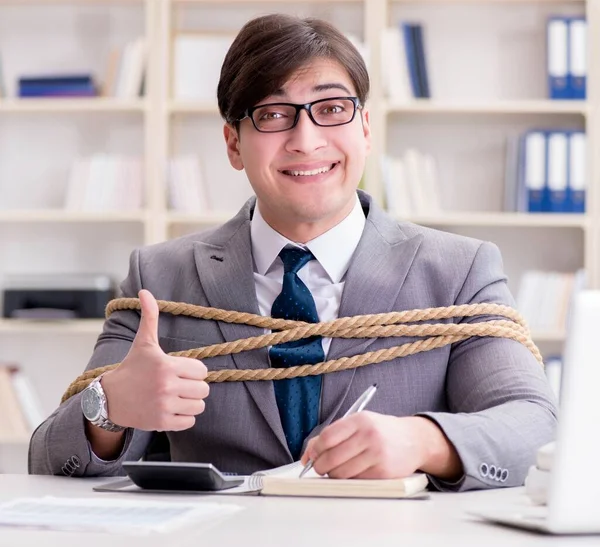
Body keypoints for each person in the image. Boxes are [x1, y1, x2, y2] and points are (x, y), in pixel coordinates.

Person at [29, 14, 557, 491]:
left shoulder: (459, 271)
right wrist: (111, 409)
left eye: (331, 109)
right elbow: (48, 455)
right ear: (234, 144)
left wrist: (424, 442)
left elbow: (534, 425)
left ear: (365, 129)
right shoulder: (160, 278)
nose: (306, 140)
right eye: (274, 114)